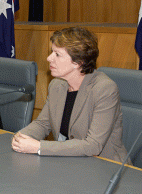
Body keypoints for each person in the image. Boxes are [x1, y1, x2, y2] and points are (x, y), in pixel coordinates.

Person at [11, 27, 129, 163]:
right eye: (51, 52)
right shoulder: (56, 85)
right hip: (69, 163)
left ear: (78, 62)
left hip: (105, 167)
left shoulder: (104, 89)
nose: (49, 58)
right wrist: (21, 136)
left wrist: (39, 147)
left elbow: (93, 145)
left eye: (57, 54)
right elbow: (43, 123)